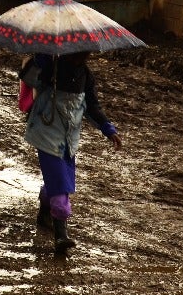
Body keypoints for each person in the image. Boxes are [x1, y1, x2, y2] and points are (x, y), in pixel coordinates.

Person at [19, 51, 123, 254]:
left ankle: (44, 212)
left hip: (68, 139)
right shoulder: (50, 65)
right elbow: (29, 79)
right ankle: (61, 236)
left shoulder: (85, 75)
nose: (82, 57)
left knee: (58, 180)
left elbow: (91, 106)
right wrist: (38, 62)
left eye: (85, 54)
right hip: (46, 133)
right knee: (61, 184)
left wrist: (107, 128)